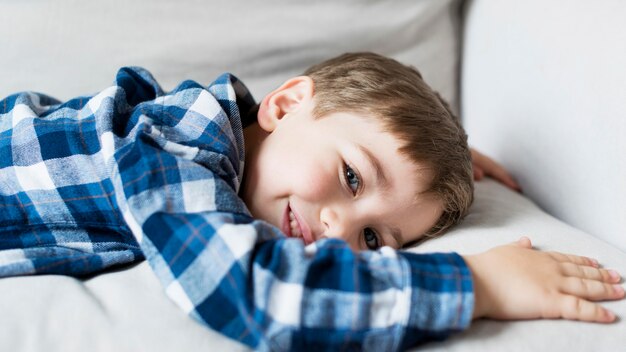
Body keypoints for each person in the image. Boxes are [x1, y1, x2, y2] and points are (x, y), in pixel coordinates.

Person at [0, 52, 622, 351]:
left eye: (375, 239)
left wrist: (434, 165)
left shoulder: (243, 147)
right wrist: (476, 283)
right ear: (287, 104)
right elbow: (249, 289)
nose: (338, 231)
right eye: (352, 178)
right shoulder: (174, 147)